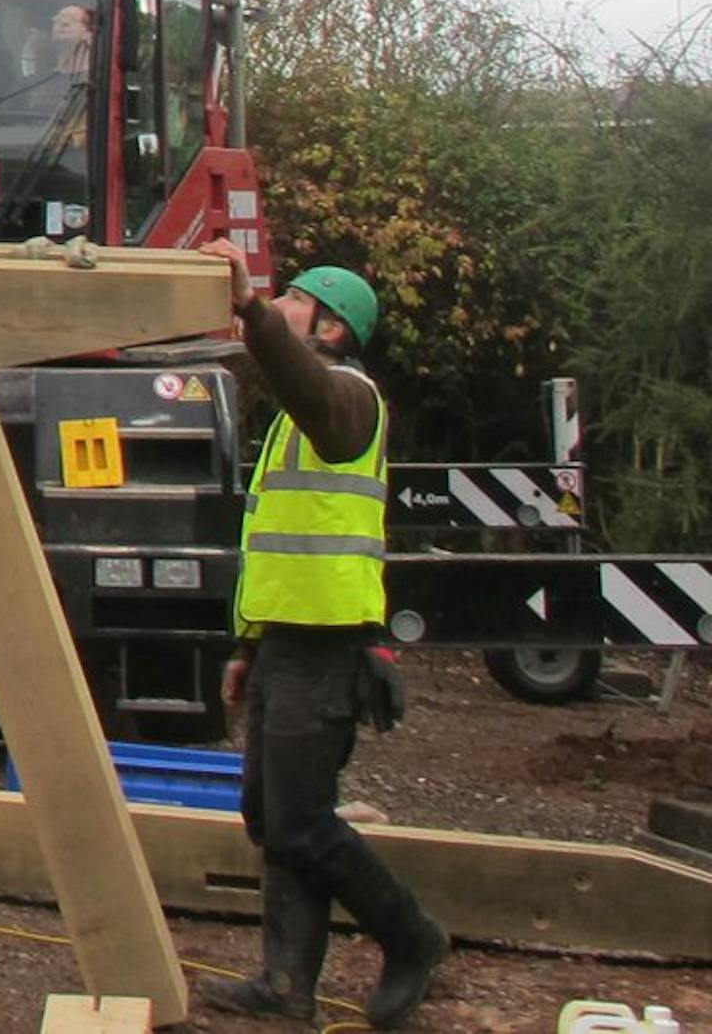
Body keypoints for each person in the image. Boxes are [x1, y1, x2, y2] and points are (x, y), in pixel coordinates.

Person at [209, 241, 448, 1025]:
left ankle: (411, 936)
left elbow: (316, 399)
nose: (280, 304)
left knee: (302, 820)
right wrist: (247, 648)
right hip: (286, 642)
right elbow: (275, 543)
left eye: (295, 299)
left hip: (330, 644)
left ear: (335, 328)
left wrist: (249, 309)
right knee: (267, 814)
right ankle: (285, 987)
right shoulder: (292, 414)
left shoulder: (349, 399)